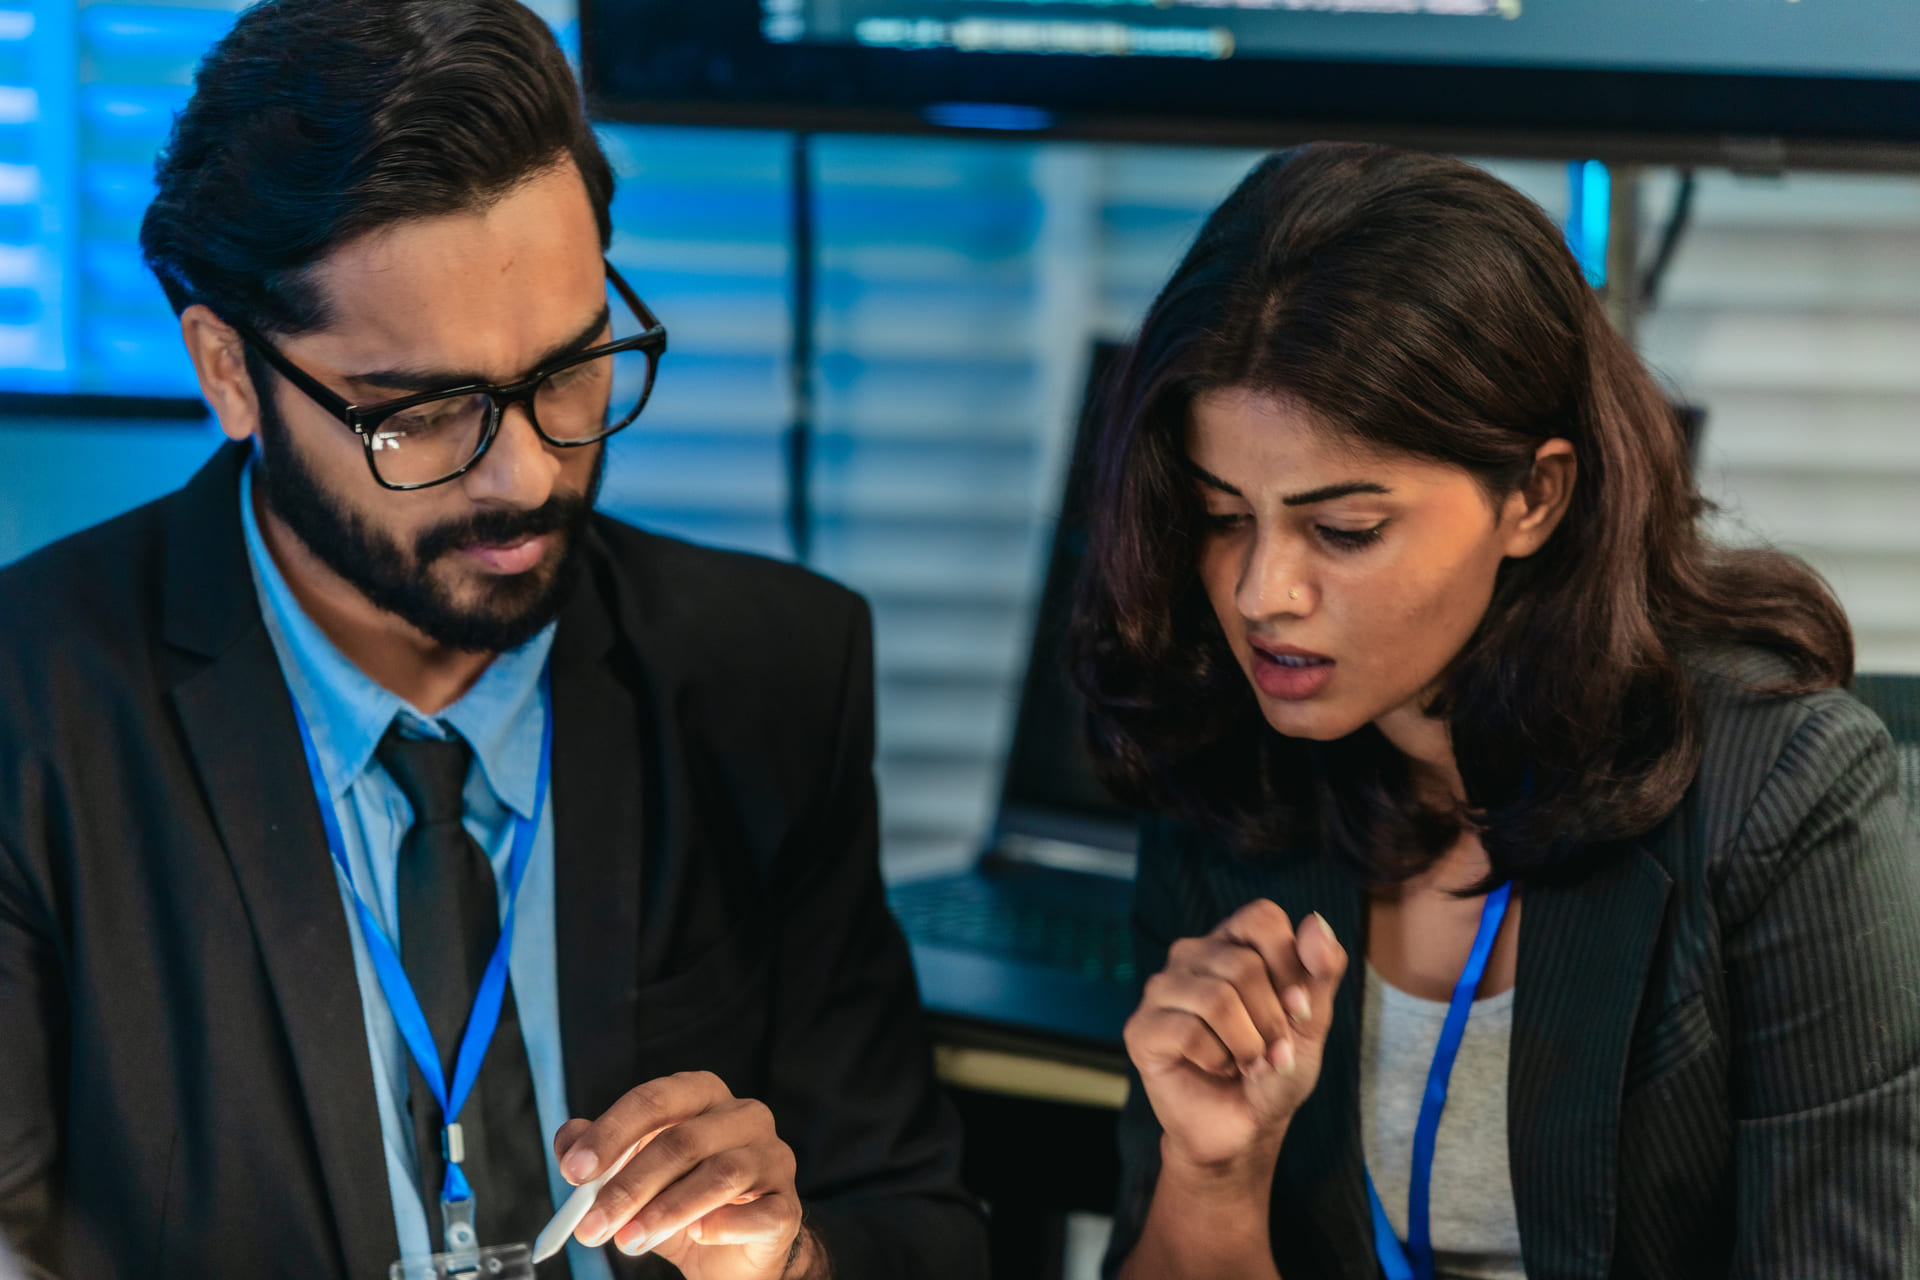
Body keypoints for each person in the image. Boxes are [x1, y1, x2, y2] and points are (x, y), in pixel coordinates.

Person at [0, 3, 987, 1278]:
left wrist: (787, 1261)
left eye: (568, 370)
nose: (524, 476)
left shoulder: (770, 675)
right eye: (423, 409)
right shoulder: (33, 710)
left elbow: (917, 1226)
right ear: (231, 371)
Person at [1069, 143, 1920, 1280]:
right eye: (1225, 516)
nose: (1263, 593)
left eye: (1345, 530)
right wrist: (1214, 1176)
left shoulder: (1781, 792)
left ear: (1534, 496)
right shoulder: (1230, 764)